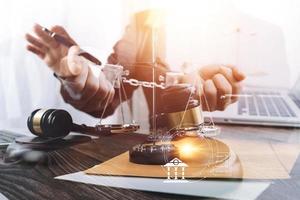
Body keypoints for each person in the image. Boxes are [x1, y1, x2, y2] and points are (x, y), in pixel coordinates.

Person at [25, 10, 245, 128]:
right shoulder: (144, 25)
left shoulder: (243, 22)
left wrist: (230, 85)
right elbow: (108, 94)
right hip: (171, 154)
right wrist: (78, 80)